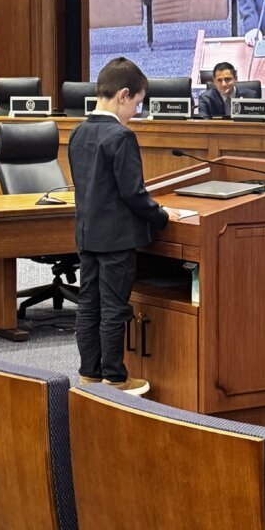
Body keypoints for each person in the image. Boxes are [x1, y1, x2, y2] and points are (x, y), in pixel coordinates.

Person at [68, 57, 180, 395]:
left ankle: (90, 373)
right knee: (115, 307)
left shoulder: (78, 132)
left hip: (87, 235)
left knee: (89, 304)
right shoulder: (121, 136)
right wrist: (160, 216)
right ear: (123, 94)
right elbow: (133, 193)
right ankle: (115, 377)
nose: (136, 111)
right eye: (137, 103)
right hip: (116, 240)